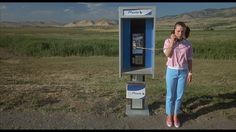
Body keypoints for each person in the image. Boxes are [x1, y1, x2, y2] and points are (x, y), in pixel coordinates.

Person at [163, 22, 193, 128]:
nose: (180, 33)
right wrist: (172, 41)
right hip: (171, 71)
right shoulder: (168, 41)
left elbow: (189, 60)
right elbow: (167, 54)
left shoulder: (188, 44)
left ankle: (176, 115)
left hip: (183, 72)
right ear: (174, 31)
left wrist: (190, 72)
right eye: (178, 31)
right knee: (170, 95)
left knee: (179, 96)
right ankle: (169, 116)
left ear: (185, 32)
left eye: (182, 31)